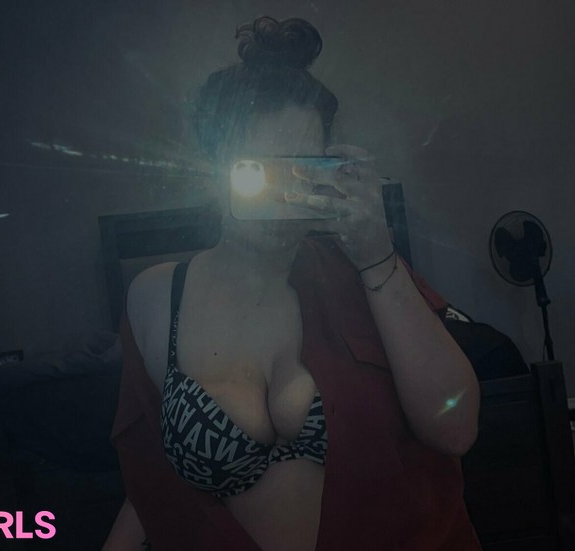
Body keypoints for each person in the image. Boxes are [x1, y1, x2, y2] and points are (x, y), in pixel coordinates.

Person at [104, 16, 481, 551]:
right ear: (213, 168)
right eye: (258, 170)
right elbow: (152, 478)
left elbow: (456, 428)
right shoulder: (156, 295)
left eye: (302, 169)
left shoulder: (364, 272)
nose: (283, 196)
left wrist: (377, 257)